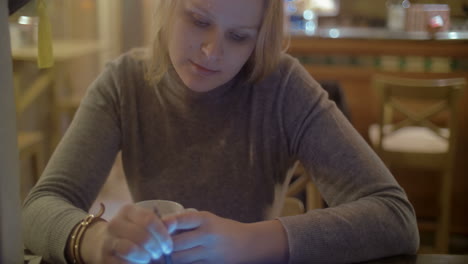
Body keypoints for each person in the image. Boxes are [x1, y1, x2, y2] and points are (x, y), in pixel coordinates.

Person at [22, 0, 420, 263]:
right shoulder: (124, 84)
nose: (213, 51)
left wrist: (247, 241)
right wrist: (98, 241)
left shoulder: (282, 87)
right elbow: (40, 207)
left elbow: (393, 216)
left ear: (259, 38)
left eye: (238, 36)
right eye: (198, 21)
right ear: (168, 8)